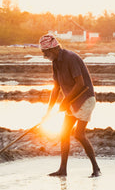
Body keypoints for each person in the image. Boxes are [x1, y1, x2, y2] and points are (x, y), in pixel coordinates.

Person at [39, 34, 101, 178]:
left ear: (53, 49)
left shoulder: (70, 58)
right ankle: (62, 170)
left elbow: (80, 85)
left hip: (85, 99)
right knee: (64, 134)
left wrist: (65, 102)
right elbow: (56, 88)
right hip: (72, 101)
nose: (44, 56)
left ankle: (96, 169)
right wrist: (48, 111)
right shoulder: (55, 62)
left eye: (45, 53)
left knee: (79, 134)